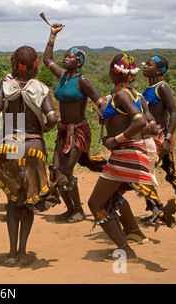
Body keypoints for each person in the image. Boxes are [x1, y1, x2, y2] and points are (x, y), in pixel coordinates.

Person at [0, 46, 57, 267]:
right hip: (34, 146)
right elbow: (53, 119)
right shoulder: (41, 88)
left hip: (10, 146)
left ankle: (10, 254)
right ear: (35, 65)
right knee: (29, 201)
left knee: (12, 201)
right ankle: (23, 253)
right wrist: (43, 130)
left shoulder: (5, 86)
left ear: (13, 62)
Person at [88, 53, 151, 262]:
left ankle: (125, 251)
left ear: (112, 72)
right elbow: (152, 127)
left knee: (95, 204)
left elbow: (141, 123)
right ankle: (134, 231)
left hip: (124, 155)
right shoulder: (138, 96)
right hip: (134, 153)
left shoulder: (121, 95)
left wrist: (117, 138)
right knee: (111, 197)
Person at [43, 24, 106, 223]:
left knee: (67, 172)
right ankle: (70, 209)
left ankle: (78, 210)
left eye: (70, 56)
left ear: (78, 62)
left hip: (78, 131)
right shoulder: (62, 76)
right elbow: (47, 59)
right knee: (55, 169)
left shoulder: (82, 81)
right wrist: (52, 35)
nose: (66, 58)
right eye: (66, 56)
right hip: (63, 130)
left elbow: (100, 102)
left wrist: (105, 116)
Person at [142, 55, 176, 203]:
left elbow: (173, 113)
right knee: (149, 172)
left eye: (149, 65)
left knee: (146, 172)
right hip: (149, 135)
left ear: (159, 71)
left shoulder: (162, 87)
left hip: (160, 136)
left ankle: (156, 209)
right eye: (145, 64)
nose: (145, 66)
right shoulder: (148, 89)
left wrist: (168, 138)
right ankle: (156, 207)